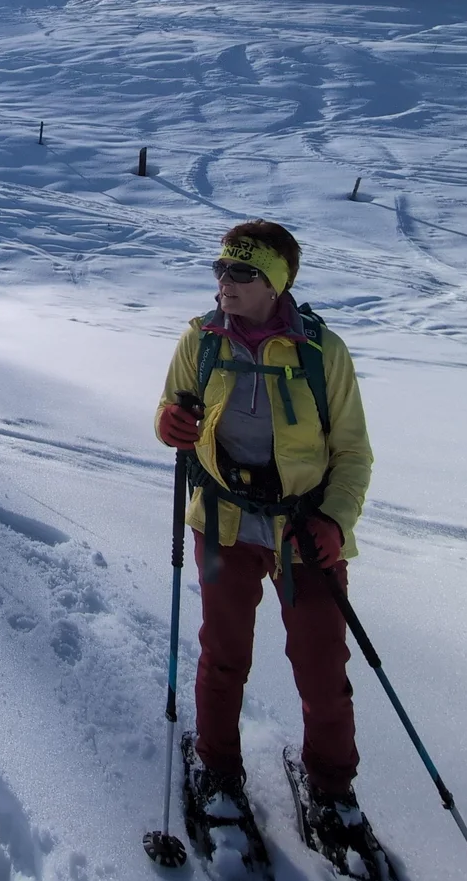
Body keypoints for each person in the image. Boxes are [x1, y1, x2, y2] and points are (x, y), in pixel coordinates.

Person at [153, 219, 375, 851]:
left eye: (241, 272)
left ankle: (333, 789)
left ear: (275, 280)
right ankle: (218, 768)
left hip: (305, 534)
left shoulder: (320, 353)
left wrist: (334, 521)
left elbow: (353, 453)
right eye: (220, 268)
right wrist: (171, 423)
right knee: (224, 655)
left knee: (321, 666)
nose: (224, 282)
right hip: (223, 523)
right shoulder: (201, 341)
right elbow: (171, 409)